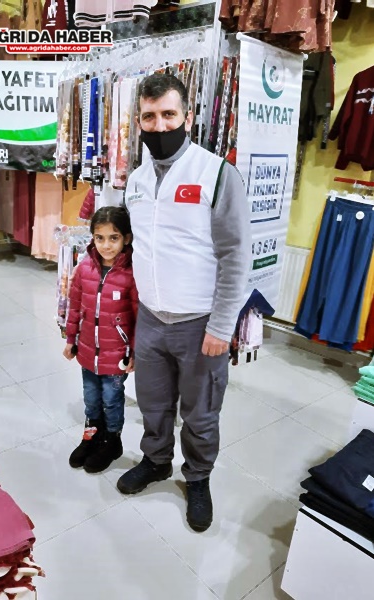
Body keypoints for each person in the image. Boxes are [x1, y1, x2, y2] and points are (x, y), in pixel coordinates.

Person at [117, 73, 252, 532]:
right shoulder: (135, 180)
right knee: (153, 404)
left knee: (200, 413)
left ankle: (197, 477)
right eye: (149, 117)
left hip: (200, 324)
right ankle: (156, 461)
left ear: (188, 117)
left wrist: (221, 326)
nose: (159, 125)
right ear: (139, 120)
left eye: (169, 114)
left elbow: (236, 256)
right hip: (152, 319)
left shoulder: (216, 173)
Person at [63, 206, 138, 474]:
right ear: (92, 238)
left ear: (126, 238)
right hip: (86, 351)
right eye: (100, 238)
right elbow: (74, 307)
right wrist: (70, 338)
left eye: (113, 238)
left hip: (116, 355)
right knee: (91, 398)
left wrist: (134, 351)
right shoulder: (84, 268)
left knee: (111, 399)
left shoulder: (132, 273)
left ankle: (111, 441)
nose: (106, 245)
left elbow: (139, 316)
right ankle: (92, 436)